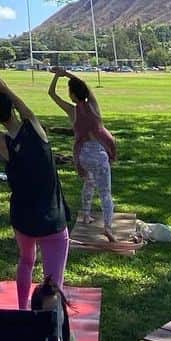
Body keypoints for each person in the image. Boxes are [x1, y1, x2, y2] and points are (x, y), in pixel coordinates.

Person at [0, 45, 70, 310]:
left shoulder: (4, 144)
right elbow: (12, 94)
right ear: (13, 109)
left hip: (23, 217)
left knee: (26, 261)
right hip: (52, 218)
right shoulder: (35, 128)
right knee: (53, 280)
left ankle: (23, 311)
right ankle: (51, 321)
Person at [49, 69, 117, 241]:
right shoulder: (93, 106)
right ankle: (108, 227)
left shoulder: (73, 111)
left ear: (72, 95)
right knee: (105, 193)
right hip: (99, 155)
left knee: (89, 183)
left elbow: (51, 93)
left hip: (82, 157)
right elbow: (84, 85)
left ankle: (86, 215)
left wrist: (57, 76)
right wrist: (67, 73)